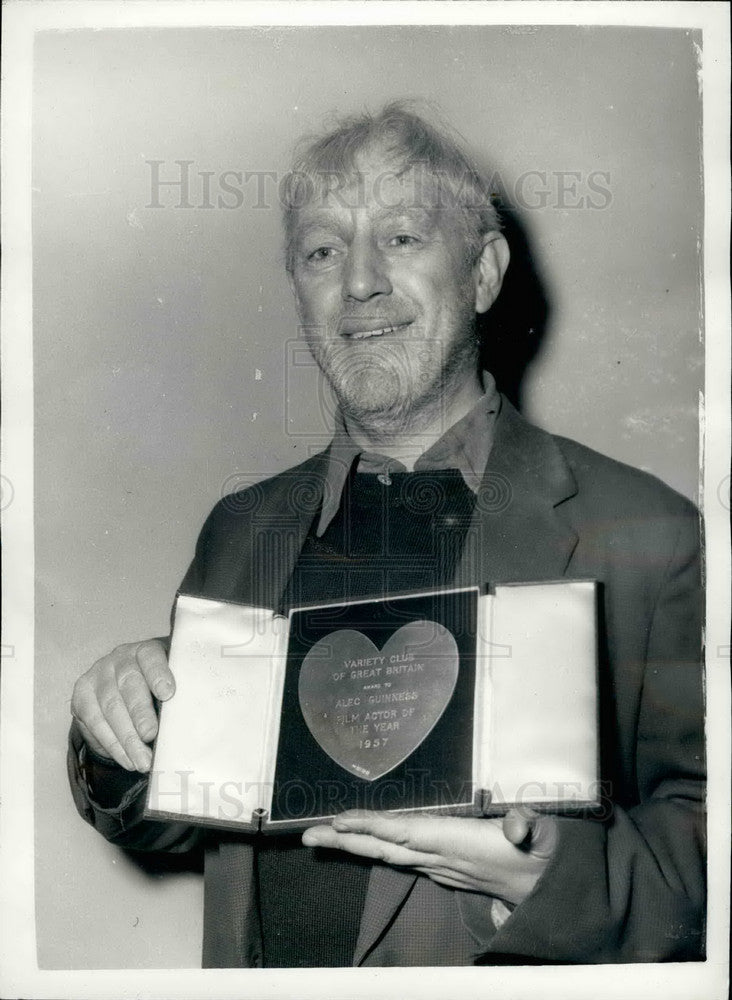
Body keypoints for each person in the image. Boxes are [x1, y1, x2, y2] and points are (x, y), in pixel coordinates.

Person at [67, 103, 705, 967]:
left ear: (483, 273)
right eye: (323, 251)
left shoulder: (648, 534)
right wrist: (123, 731)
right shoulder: (239, 529)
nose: (358, 282)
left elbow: (709, 843)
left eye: (401, 238)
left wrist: (551, 877)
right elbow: (181, 820)